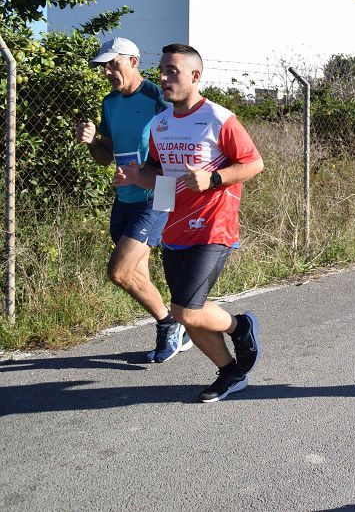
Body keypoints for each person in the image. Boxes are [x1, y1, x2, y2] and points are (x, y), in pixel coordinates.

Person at [115, 44, 264, 403]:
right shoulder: (161, 124)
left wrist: (213, 179)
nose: (163, 78)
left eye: (173, 71)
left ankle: (239, 326)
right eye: (162, 70)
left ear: (195, 76)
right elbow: (161, 175)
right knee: (189, 311)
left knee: (184, 310)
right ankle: (231, 370)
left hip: (214, 227)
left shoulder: (218, 118)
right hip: (175, 228)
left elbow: (254, 163)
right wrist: (137, 176)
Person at [74, 37, 191, 363]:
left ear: (134, 62)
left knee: (119, 271)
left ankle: (170, 325)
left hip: (157, 193)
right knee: (136, 273)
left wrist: (147, 173)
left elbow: (176, 144)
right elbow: (104, 157)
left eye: (115, 64)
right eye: (105, 66)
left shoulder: (158, 98)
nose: (109, 71)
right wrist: (91, 140)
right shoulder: (110, 103)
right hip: (124, 196)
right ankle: (175, 324)